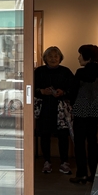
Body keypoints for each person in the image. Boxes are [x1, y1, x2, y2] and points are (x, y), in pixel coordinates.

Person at [34, 46, 75, 175]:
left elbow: (74, 89)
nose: (53, 59)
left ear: (60, 58)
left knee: (63, 135)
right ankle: (47, 161)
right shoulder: (38, 71)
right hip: (44, 108)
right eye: (50, 56)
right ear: (45, 58)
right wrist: (41, 91)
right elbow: (31, 87)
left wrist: (63, 92)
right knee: (44, 135)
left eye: (56, 56)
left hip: (61, 109)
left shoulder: (66, 72)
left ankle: (64, 162)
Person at [70, 44, 98, 184]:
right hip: (95, 111)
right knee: (93, 142)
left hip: (80, 111)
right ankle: (94, 174)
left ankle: (82, 174)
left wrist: (72, 104)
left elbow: (73, 92)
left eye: (80, 55)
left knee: (79, 142)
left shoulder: (81, 72)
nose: (78, 57)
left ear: (88, 57)